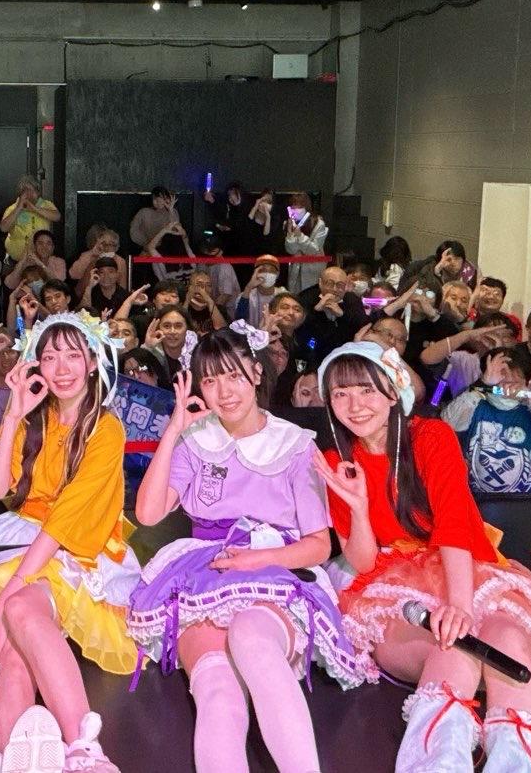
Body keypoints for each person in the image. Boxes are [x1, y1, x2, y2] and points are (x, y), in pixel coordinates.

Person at [316, 342, 531, 772]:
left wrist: (459, 606)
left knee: (507, 637)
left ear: (392, 391)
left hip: (464, 567)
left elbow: (454, 523)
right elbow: (364, 561)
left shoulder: (430, 436)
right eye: (341, 393)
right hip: (393, 585)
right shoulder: (336, 459)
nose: (355, 405)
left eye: (366, 390)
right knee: (454, 650)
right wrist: (358, 504)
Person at [130, 328, 362, 773]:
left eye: (234, 376)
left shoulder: (294, 445)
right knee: (217, 688)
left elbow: (318, 545)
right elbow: (148, 512)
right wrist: (174, 430)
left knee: (252, 639)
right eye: (210, 380)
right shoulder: (196, 441)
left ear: (256, 373)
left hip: (274, 568)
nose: (224, 392)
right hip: (204, 572)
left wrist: (255, 560)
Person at [0, 313, 139, 773]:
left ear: (93, 362)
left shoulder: (105, 429)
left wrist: (6, 596)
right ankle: (21, 761)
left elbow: (67, 521)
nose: (62, 368)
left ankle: (86, 750)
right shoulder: (34, 419)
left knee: (19, 609)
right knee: (15, 655)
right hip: (19, 538)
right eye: (50, 357)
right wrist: (13, 413)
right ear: (35, 365)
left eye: (73, 355)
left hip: (75, 548)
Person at [441, 346, 531, 494]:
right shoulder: (472, 400)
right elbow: (447, 425)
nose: (505, 388)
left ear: (528, 383)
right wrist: (481, 385)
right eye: (498, 381)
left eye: (513, 383)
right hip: (473, 500)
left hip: (525, 503)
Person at [296, 266, 369, 368]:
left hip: (345, 355)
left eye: (340, 285)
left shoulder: (352, 300)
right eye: (330, 284)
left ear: (346, 286)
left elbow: (363, 325)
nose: (334, 289)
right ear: (320, 283)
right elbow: (299, 330)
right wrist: (316, 310)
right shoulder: (306, 298)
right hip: (312, 354)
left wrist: (342, 315)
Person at [0, 175, 61, 263]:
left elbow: (57, 217)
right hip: (16, 260)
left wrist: (35, 209)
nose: (30, 194)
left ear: (38, 192)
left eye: (33, 190)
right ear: (20, 194)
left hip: (41, 259)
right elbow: (3, 228)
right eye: (26, 191)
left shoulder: (46, 204)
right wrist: (19, 208)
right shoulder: (12, 208)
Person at [282, 194, 328, 294]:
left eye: (299, 207)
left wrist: (300, 236)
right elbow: (291, 250)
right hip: (296, 269)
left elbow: (313, 250)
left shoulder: (318, 223)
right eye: (293, 207)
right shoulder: (288, 223)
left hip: (313, 269)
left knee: (310, 295)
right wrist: (290, 234)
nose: (296, 210)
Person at [402, 240, 467, 300]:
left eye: (456, 259)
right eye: (448, 259)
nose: (453, 263)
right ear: (441, 259)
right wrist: (436, 273)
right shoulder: (427, 270)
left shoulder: (468, 274)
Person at [143, 305, 192, 378]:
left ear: (187, 329)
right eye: (166, 326)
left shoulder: (197, 354)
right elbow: (136, 375)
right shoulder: (152, 351)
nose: (172, 331)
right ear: (158, 328)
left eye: (178, 326)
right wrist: (147, 347)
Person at [129, 186, 180, 255]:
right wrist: (146, 243)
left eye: (162, 198)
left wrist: (171, 210)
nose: (158, 202)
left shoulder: (173, 212)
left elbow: (177, 230)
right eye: (155, 199)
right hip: (146, 249)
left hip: (167, 251)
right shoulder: (143, 212)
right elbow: (133, 230)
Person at [233, 254, 282, 326]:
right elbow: (239, 320)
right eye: (263, 270)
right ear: (256, 273)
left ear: (277, 274)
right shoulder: (246, 295)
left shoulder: (283, 296)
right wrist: (248, 287)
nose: (267, 274)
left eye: (271, 271)